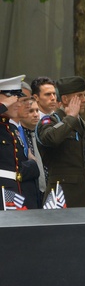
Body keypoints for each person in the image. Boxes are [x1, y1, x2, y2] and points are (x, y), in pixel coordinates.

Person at [36, 75, 85, 207]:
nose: (84, 100)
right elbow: (51, 138)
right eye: (79, 96)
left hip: (84, 191)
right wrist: (71, 117)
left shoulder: (82, 123)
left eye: (84, 95)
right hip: (62, 194)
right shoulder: (50, 121)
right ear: (65, 99)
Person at [0, 77, 40, 208]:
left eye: (19, 99)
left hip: (15, 193)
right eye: (13, 100)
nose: (18, 104)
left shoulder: (11, 129)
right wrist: (3, 106)